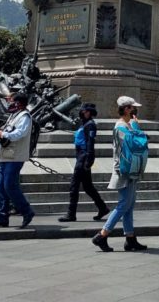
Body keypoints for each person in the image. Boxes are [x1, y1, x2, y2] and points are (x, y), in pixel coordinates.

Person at [93, 96, 147, 252]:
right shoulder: (121, 127)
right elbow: (138, 143)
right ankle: (102, 235)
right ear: (126, 109)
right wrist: (137, 128)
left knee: (129, 206)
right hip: (125, 170)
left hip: (131, 168)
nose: (135, 110)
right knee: (123, 205)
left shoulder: (127, 125)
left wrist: (135, 127)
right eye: (132, 107)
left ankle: (130, 238)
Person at [0, 93, 35, 229]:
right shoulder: (13, 116)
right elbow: (5, 140)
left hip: (16, 156)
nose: (9, 103)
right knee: (1, 188)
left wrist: (3, 134)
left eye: (11, 101)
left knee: (9, 186)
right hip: (5, 156)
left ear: (19, 103)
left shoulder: (25, 116)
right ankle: (2, 218)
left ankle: (27, 212)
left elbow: (19, 134)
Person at [59, 103, 109, 223]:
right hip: (80, 156)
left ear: (89, 112)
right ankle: (103, 208)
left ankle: (71, 214)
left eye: (84, 111)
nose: (82, 112)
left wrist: (89, 159)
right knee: (88, 187)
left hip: (84, 157)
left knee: (74, 186)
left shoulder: (90, 125)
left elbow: (90, 143)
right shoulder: (85, 124)